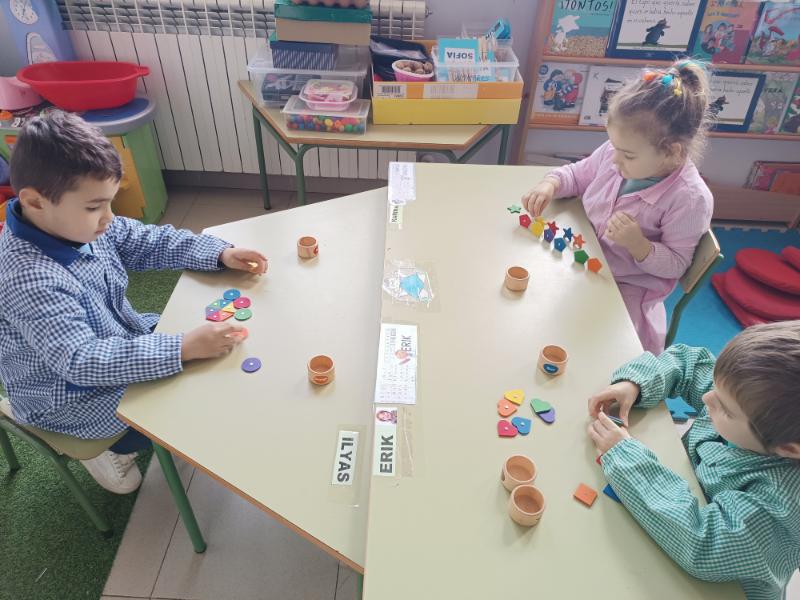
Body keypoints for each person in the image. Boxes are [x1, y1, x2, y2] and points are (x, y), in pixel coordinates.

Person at [0, 111, 267, 493]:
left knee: (199, 368)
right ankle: (111, 451)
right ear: (35, 202)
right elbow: (82, 361)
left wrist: (218, 253)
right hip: (66, 398)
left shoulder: (74, 223)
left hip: (116, 340)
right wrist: (180, 348)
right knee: (172, 411)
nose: (109, 218)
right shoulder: (28, 277)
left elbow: (146, 241)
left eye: (109, 202)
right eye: (94, 207)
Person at [586, 321, 800, 600]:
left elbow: (702, 543)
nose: (707, 398)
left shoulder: (780, 502)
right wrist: (635, 383)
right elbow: (690, 363)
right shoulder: (743, 399)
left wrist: (627, 457)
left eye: (725, 409)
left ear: (787, 448)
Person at [522, 59, 714, 354]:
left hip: (628, 289)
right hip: (587, 257)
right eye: (614, 147)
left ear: (672, 152)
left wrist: (640, 246)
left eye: (627, 155)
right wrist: (551, 183)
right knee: (536, 312)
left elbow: (677, 264)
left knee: (598, 352)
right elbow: (578, 174)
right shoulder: (619, 152)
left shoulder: (690, 199)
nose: (614, 160)